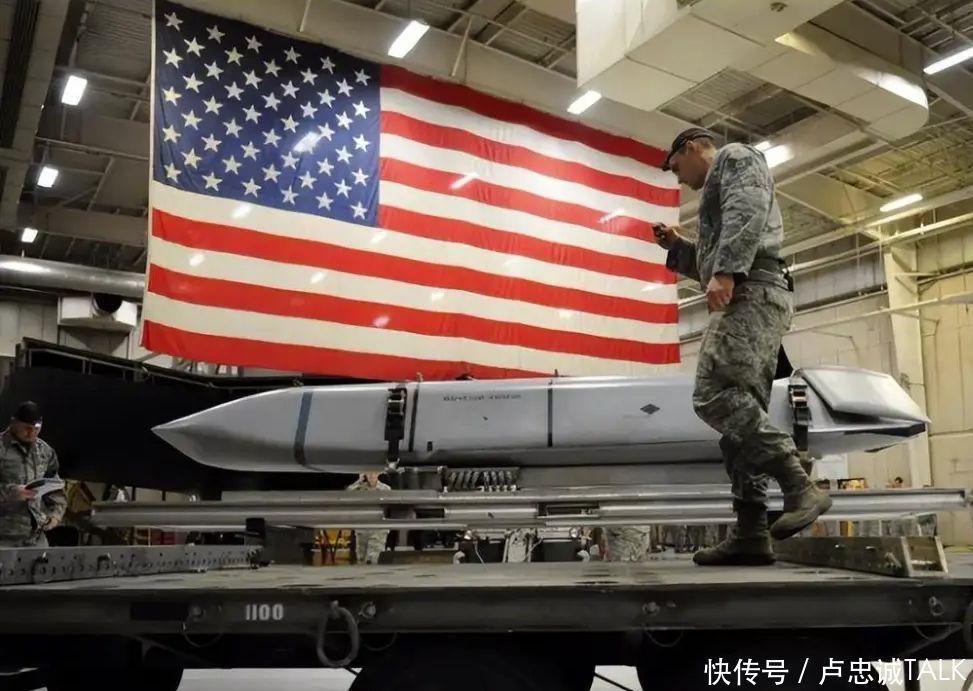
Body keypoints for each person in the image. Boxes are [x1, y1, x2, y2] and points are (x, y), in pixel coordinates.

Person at [655, 128, 832, 566]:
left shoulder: (735, 157)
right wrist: (679, 248)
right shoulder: (720, 183)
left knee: (714, 394)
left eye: (676, 168)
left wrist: (728, 272)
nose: (678, 179)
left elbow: (747, 209)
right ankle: (751, 531)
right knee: (739, 416)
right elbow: (714, 258)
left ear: (691, 148)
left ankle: (799, 486)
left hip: (752, 291)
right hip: (755, 289)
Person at [0, 401, 67, 548]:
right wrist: (11, 492)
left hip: (35, 536)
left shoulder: (45, 452)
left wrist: (55, 515)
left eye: (36, 428)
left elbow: (56, 488)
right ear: (14, 422)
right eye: (27, 428)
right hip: (4, 537)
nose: (32, 433)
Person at [346, 471, 391, 564]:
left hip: (378, 529)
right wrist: (358, 481)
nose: (371, 475)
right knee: (361, 558)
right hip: (362, 527)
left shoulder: (385, 488)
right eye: (369, 473)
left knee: (373, 558)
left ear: (378, 473)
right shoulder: (360, 488)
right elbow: (347, 494)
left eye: (373, 473)